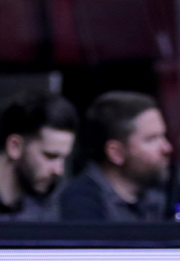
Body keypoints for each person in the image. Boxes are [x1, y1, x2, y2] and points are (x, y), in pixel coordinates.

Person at [59, 91, 172, 222]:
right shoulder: (81, 204)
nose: (167, 148)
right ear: (116, 153)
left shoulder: (156, 198)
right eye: (151, 139)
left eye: (163, 136)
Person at [0, 91, 78, 222]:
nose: (58, 170)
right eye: (50, 156)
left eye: (63, 158)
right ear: (15, 146)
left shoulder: (47, 208)